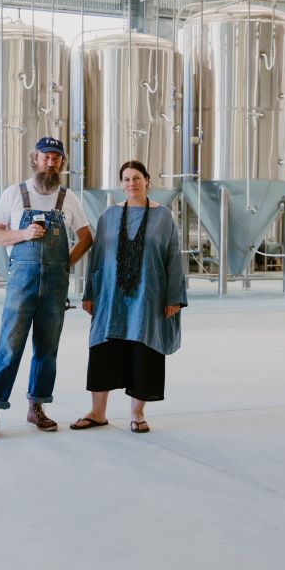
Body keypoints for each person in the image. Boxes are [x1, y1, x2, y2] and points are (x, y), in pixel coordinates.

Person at [0, 136, 93, 438]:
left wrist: (67, 262)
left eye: (56, 158)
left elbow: (86, 237)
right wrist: (22, 234)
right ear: (35, 159)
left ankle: (37, 407)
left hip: (55, 286)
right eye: (46, 157)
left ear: (61, 163)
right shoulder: (14, 194)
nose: (51, 162)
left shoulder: (69, 198)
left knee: (47, 350)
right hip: (21, 284)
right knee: (10, 346)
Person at [71, 160, 187, 434]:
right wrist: (90, 294)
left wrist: (174, 298)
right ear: (120, 184)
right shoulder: (109, 216)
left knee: (143, 351)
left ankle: (137, 413)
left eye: (137, 178)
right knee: (103, 349)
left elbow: (173, 259)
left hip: (148, 296)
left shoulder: (164, 217)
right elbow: (97, 259)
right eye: (126, 179)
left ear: (147, 180)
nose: (131, 184)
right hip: (111, 298)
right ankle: (97, 412)